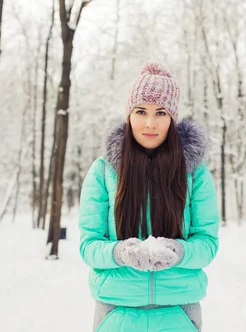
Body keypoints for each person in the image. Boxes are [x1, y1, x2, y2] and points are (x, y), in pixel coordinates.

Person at [78, 63, 220, 332]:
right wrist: (119, 253)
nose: (150, 123)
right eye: (141, 111)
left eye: (161, 112)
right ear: (129, 115)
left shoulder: (195, 173)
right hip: (115, 310)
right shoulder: (103, 171)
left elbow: (207, 243)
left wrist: (179, 252)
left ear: (172, 118)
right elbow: (89, 245)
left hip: (179, 310)